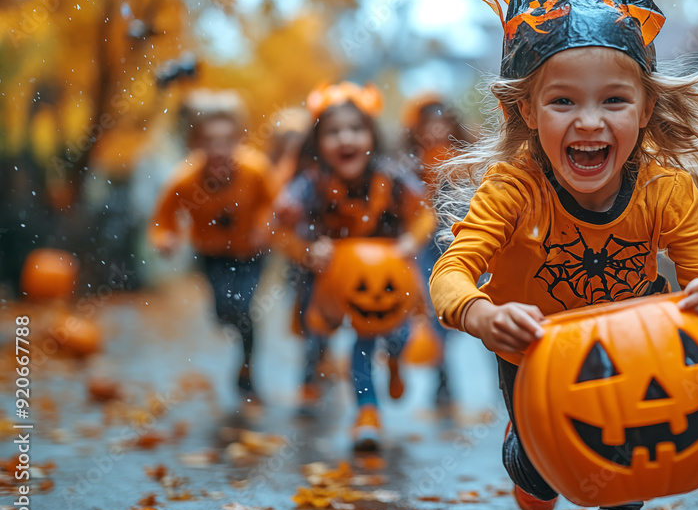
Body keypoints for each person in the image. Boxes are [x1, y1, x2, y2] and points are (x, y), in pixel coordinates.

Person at [430, 0, 698, 510]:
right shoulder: (514, 190)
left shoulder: (664, 192)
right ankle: (525, 456)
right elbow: (451, 271)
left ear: (645, 108)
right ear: (528, 110)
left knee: (632, 423)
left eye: (614, 100)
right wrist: (483, 314)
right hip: (534, 351)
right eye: (562, 101)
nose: (589, 120)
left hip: (630, 349)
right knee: (540, 472)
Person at [272, 81, 435, 451]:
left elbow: (424, 216)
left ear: (371, 136)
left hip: (390, 279)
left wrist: (411, 240)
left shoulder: (393, 178)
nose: (345, 139)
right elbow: (280, 230)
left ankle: (395, 362)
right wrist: (307, 250)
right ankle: (367, 413)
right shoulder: (309, 184)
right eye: (333, 132)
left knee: (398, 336)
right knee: (357, 342)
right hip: (335, 281)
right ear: (318, 142)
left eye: (355, 129)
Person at [149, 89, 275, 409]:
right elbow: (163, 218)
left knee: (243, 308)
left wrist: (265, 226)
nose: (219, 149)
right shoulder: (185, 178)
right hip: (212, 255)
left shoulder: (255, 170)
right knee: (223, 312)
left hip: (251, 253)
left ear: (239, 140)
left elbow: (272, 204)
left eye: (227, 141)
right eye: (210, 141)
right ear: (197, 144)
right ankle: (235, 330)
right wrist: (165, 238)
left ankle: (247, 369)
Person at [400, 93, 476, 410]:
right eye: (427, 126)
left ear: (450, 124)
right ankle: (442, 378)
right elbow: (413, 209)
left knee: (475, 301)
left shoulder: (466, 158)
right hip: (427, 246)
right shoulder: (410, 165)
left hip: (462, 239)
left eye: (440, 124)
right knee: (435, 310)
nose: (434, 132)